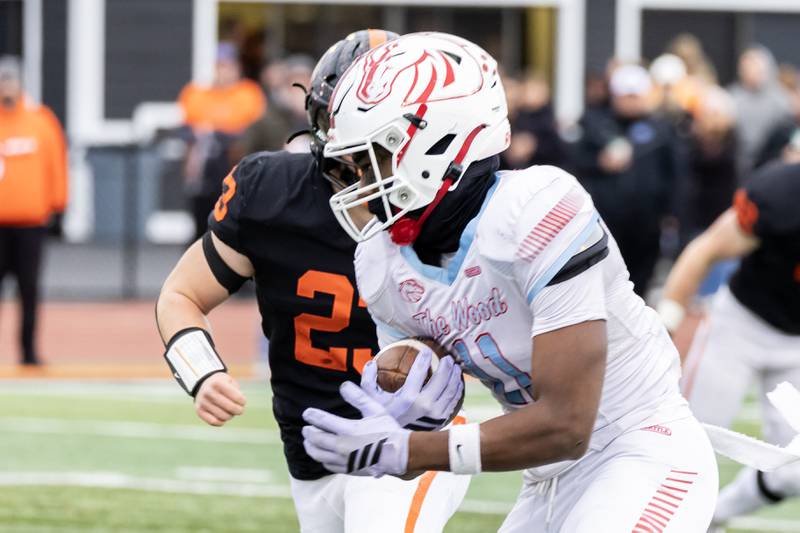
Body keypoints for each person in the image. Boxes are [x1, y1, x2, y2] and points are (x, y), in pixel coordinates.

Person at [301, 32, 718, 532]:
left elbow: (566, 424)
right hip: (546, 480)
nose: (361, 181)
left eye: (375, 158)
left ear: (437, 141)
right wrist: (402, 425)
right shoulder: (381, 262)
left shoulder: (539, 208)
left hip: (640, 449)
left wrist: (412, 447)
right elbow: (414, 445)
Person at [155, 30, 470, 533]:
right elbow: (182, 294)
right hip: (310, 448)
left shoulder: (456, 204)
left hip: (411, 439)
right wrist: (202, 373)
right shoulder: (270, 191)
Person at [657, 161, 800, 530]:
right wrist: (666, 325)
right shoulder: (783, 195)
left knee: (795, 471)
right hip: (740, 327)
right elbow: (705, 250)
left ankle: (712, 516)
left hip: (797, 345)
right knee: (688, 444)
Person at [574, 63, 682, 296]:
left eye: (635, 96)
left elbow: (676, 173)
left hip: (647, 222)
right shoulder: (595, 123)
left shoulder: (661, 128)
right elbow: (574, 162)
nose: (631, 102)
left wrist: (673, 213)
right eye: (626, 96)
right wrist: (599, 163)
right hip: (605, 219)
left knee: (641, 281)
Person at [0, 55, 68, 366]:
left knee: (29, 290)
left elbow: (56, 164)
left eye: (10, 79)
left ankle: (28, 352)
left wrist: (59, 204)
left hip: (30, 224)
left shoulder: (41, 120)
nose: (6, 86)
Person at [178, 42, 266, 241]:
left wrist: (216, 132)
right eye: (219, 66)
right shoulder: (196, 93)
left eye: (227, 65)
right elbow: (187, 130)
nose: (223, 71)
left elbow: (253, 133)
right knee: (200, 225)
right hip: (204, 171)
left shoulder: (248, 93)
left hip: (235, 167)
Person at [728, 46, 791, 177]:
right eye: (747, 68)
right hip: (737, 164)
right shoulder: (731, 97)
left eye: (756, 68)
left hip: (770, 164)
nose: (752, 72)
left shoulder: (781, 99)